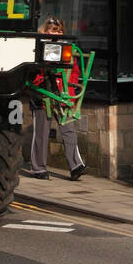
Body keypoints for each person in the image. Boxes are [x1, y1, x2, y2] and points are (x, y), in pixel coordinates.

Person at [28, 16, 87, 181]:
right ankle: (38, 168)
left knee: (69, 130)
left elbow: (73, 72)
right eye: (54, 30)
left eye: (60, 30)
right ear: (46, 31)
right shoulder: (38, 46)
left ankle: (76, 166)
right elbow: (32, 72)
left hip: (62, 95)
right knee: (41, 132)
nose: (58, 33)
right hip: (42, 94)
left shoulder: (68, 48)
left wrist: (70, 92)